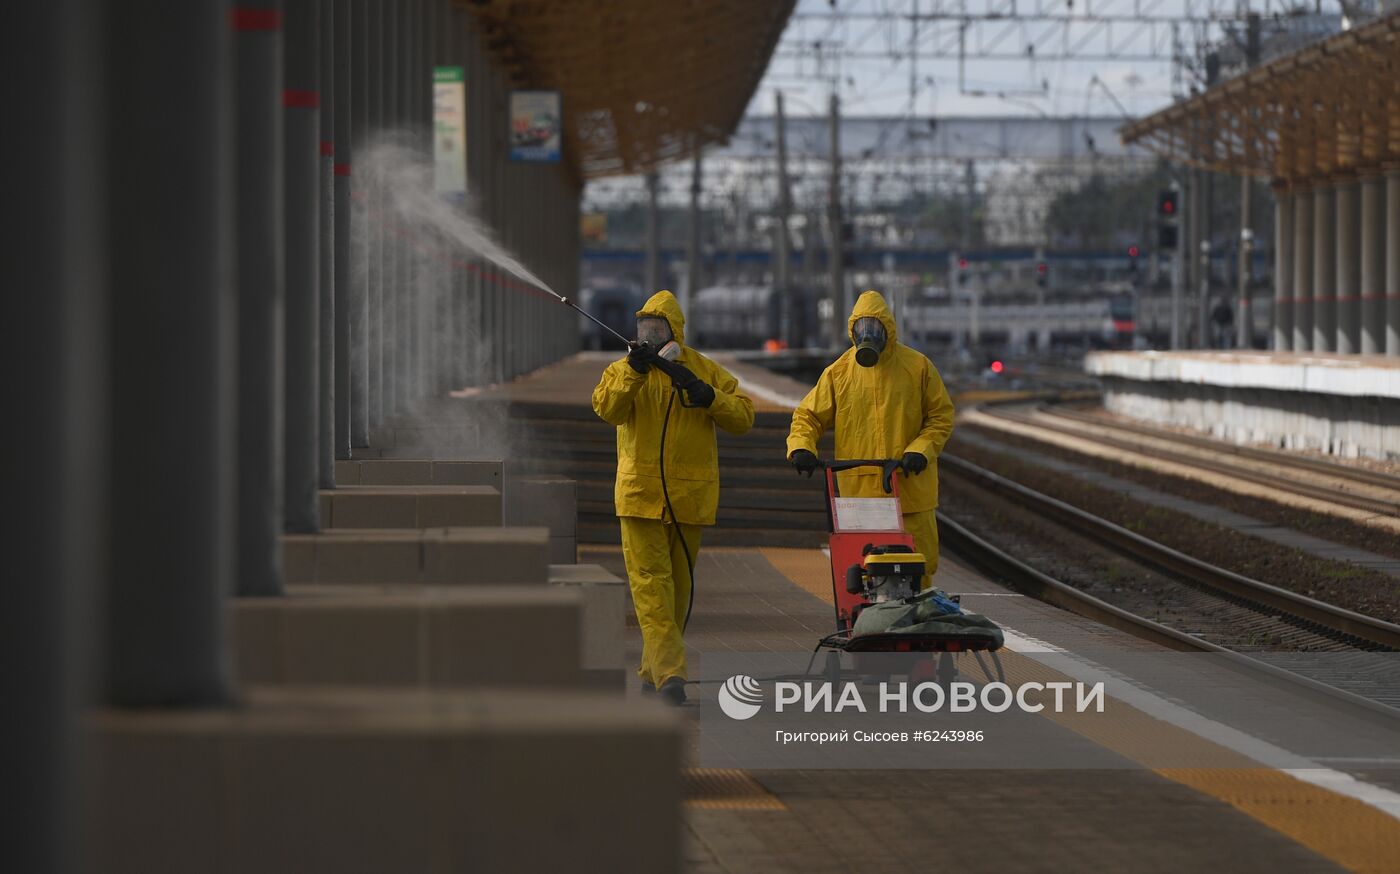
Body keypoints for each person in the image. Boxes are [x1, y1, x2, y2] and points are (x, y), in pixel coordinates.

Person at [591, 290, 755, 705]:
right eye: (643, 329)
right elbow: (607, 409)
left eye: (657, 329)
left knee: (677, 591)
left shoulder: (705, 371)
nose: (648, 336)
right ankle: (670, 675)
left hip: (689, 501)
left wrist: (711, 398)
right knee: (651, 586)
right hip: (640, 497)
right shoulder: (622, 371)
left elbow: (744, 418)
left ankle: (652, 670)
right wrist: (634, 372)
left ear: (674, 331)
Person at [786, 290, 955, 588]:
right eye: (862, 327)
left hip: (910, 491)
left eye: (874, 327)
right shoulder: (838, 373)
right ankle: (868, 624)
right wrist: (801, 446)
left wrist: (920, 450)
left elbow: (940, 416)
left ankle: (917, 622)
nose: (868, 333)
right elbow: (808, 415)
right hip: (861, 498)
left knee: (919, 564)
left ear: (888, 328)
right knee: (862, 569)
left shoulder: (917, 367)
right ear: (852, 331)